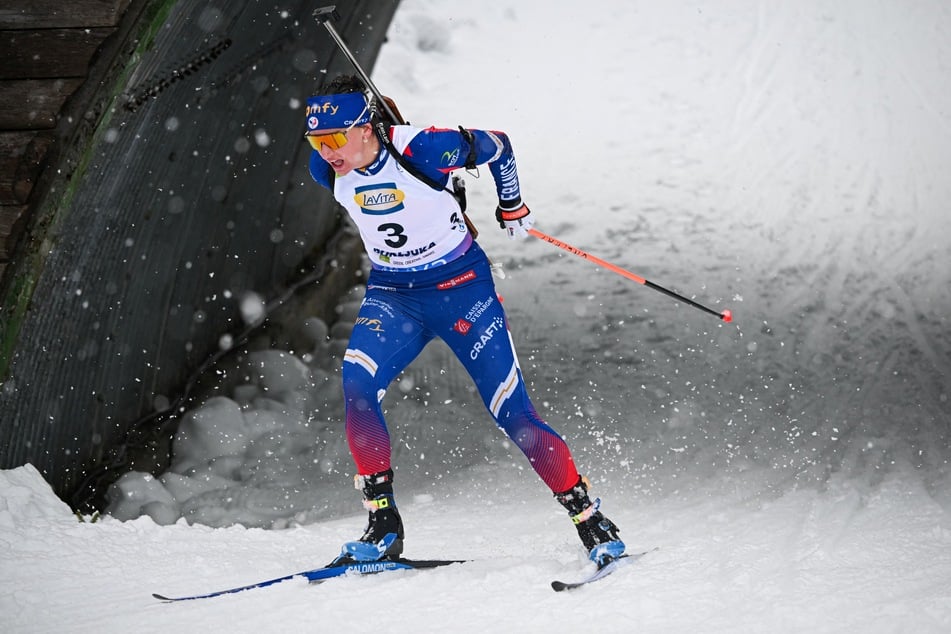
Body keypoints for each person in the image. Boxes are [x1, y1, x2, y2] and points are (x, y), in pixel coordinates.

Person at [304, 74, 624, 566]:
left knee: (512, 413)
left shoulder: (425, 148)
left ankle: (590, 520)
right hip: (394, 294)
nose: (326, 153)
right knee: (357, 384)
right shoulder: (326, 169)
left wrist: (511, 204)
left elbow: (499, 146)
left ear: (366, 128)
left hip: (460, 289)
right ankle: (383, 524)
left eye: (334, 139)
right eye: (316, 141)